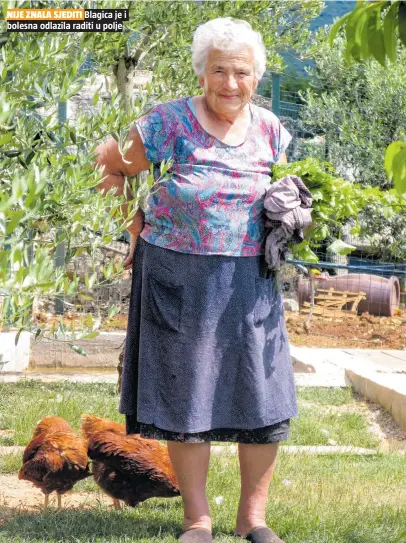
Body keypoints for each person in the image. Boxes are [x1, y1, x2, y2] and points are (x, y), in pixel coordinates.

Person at [95, 17, 297, 543]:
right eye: (219, 71)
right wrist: (132, 226)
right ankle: (197, 520)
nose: (231, 84)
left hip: (251, 277)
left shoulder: (273, 130)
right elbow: (106, 164)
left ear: (257, 76)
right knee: (189, 399)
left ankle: (252, 519)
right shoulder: (167, 123)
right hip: (177, 278)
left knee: (263, 396)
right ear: (202, 74)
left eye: (242, 73)